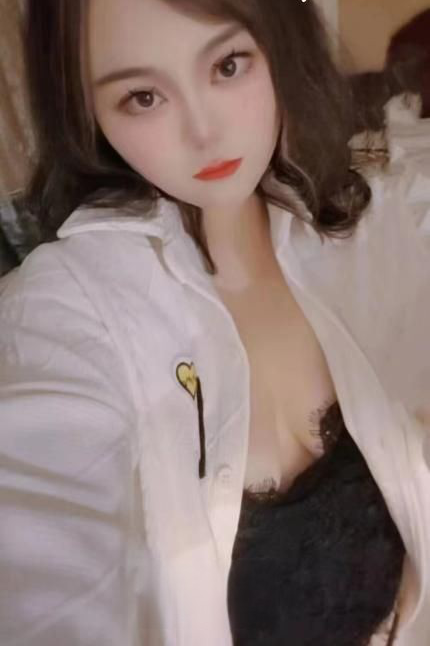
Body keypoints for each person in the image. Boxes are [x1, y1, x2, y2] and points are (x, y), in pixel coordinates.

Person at [0, 0, 429, 644]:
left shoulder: (347, 234)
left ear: (278, 46)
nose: (204, 133)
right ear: (87, 112)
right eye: (143, 97)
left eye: (228, 65)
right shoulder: (65, 311)